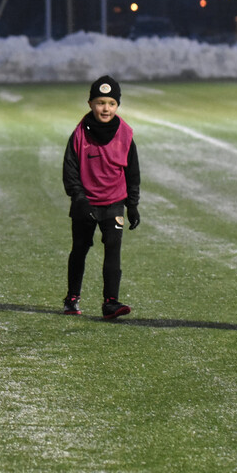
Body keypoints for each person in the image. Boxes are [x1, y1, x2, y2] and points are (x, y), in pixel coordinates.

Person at [61, 75, 141, 319]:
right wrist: (79, 198)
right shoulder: (79, 134)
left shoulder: (126, 135)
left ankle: (110, 302)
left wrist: (133, 205)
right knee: (80, 249)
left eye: (111, 103)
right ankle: (72, 298)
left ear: (117, 105)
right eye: (100, 102)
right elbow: (70, 170)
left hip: (114, 203)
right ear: (90, 104)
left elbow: (132, 172)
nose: (105, 108)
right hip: (85, 204)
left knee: (113, 251)